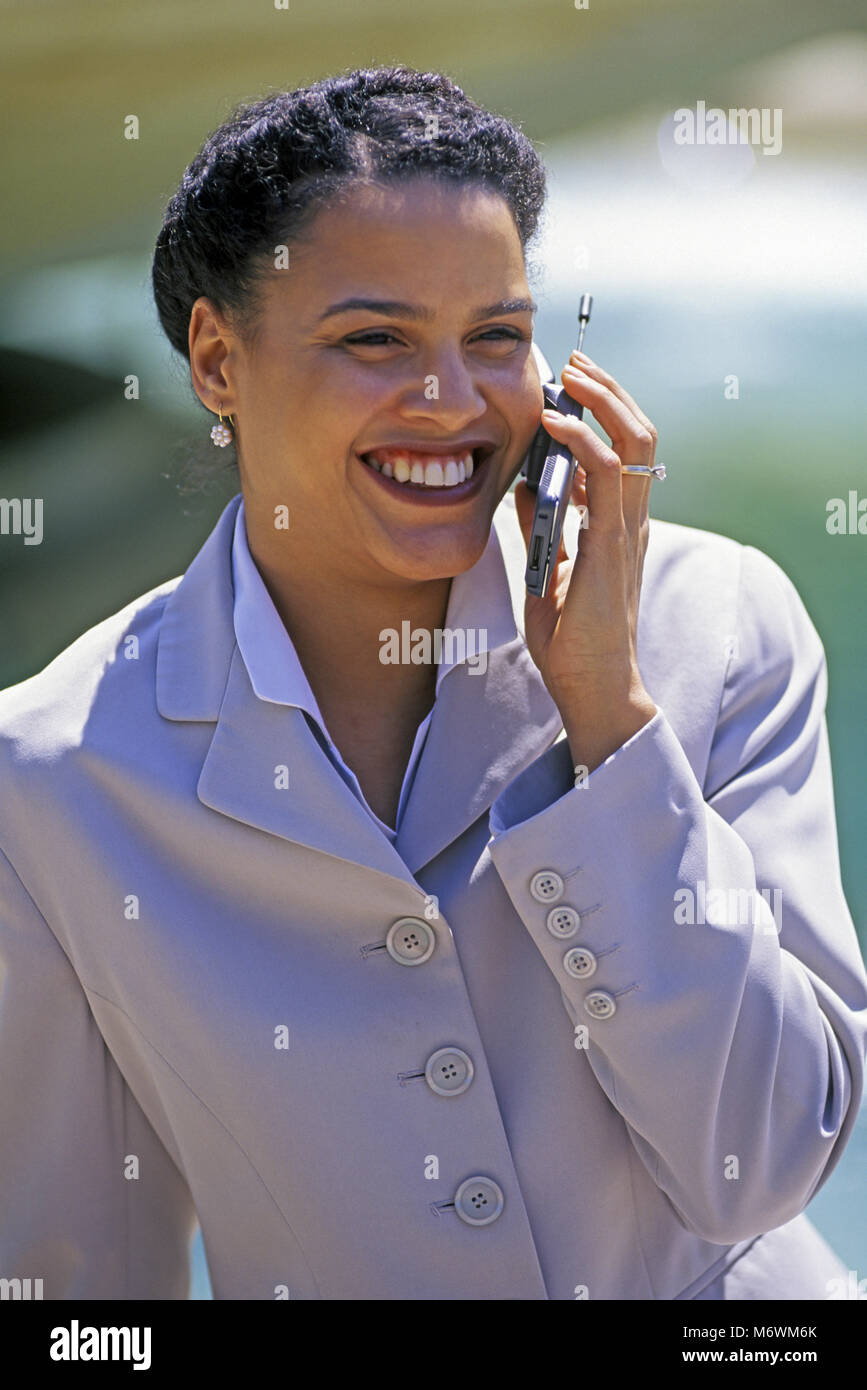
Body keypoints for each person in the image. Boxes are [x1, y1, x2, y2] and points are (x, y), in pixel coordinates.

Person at [0, 64, 864, 1301]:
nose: (451, 403)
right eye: (374, 340)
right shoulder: (47, 774)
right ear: (216, 359)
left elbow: (766, 1162)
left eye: (497, 338)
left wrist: (612, 727)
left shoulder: (716, 626)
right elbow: (74, 1295)